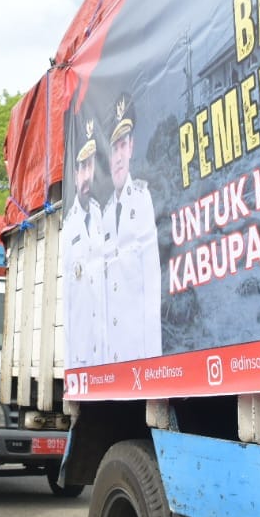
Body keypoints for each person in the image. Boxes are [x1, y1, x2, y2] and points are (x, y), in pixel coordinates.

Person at [100, 93, 162, 362]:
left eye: (123, 145)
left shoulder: (142, 199)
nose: (118, 157)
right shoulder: (103, 215)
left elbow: (151, 291)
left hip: (138, 357)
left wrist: (153, 363)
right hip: (109, 361)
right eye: (113, 149)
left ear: (132, 147)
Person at [61, 116, 107, 367]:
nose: (88, 175)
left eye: (92, 165)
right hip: (81, 359)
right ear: (75, 174)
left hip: (106, 355)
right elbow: (68, 304)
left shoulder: (103, 216)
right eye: (83, 167)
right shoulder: (68, 229)